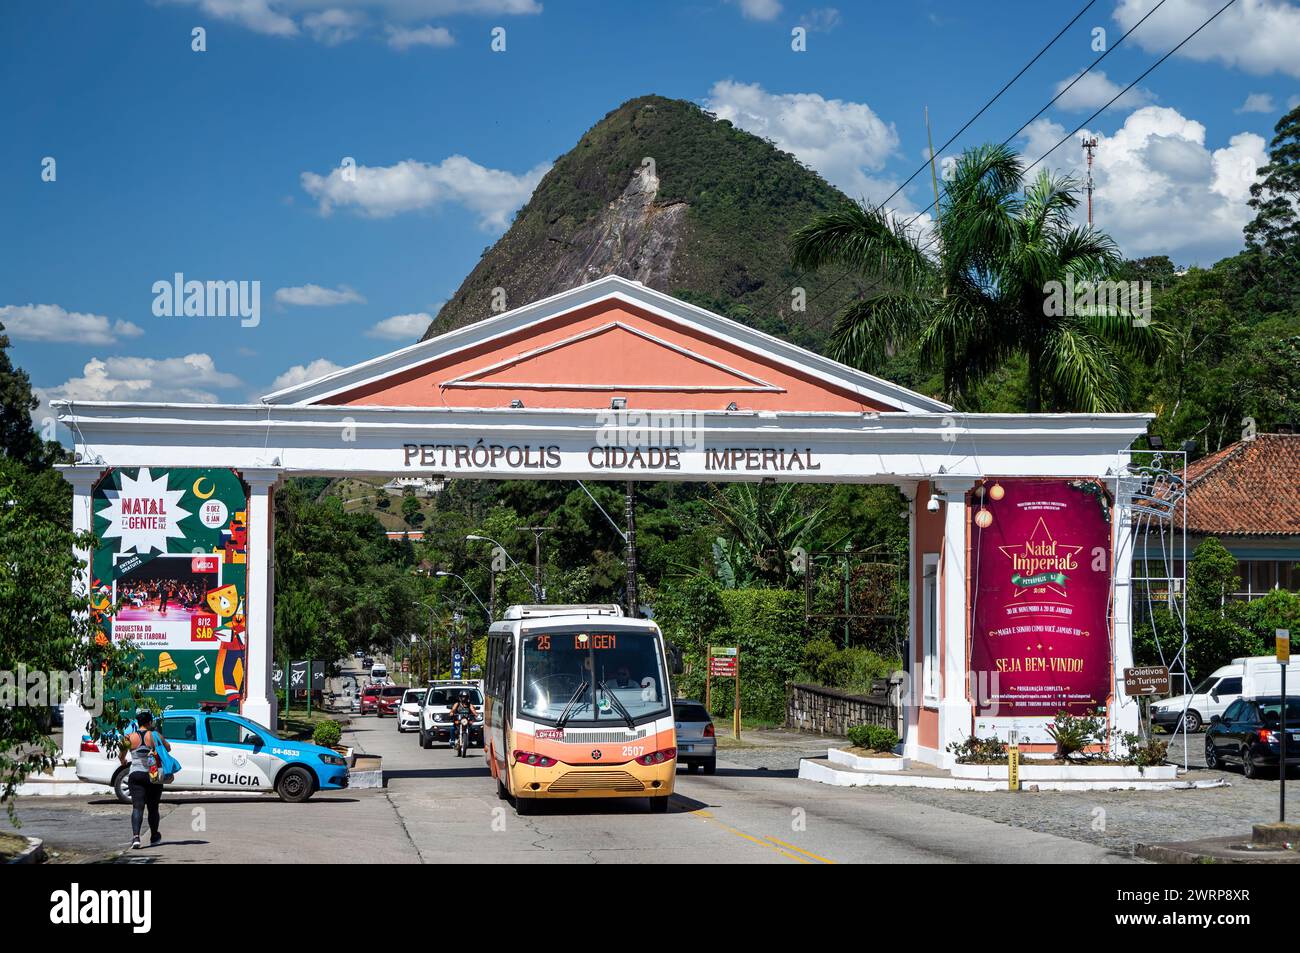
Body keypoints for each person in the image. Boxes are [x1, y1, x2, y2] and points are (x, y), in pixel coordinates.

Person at [118, 710, 170, 849]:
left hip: (135, 775)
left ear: (138, 722)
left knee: (137, 807)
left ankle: (136, 837)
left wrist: (123, 761)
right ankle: (154, 836)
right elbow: (168, 748)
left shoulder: (129, 738)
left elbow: (121, 756)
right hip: (153, 776)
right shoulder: (155, 735)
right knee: (153, 808)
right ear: (149, 722)